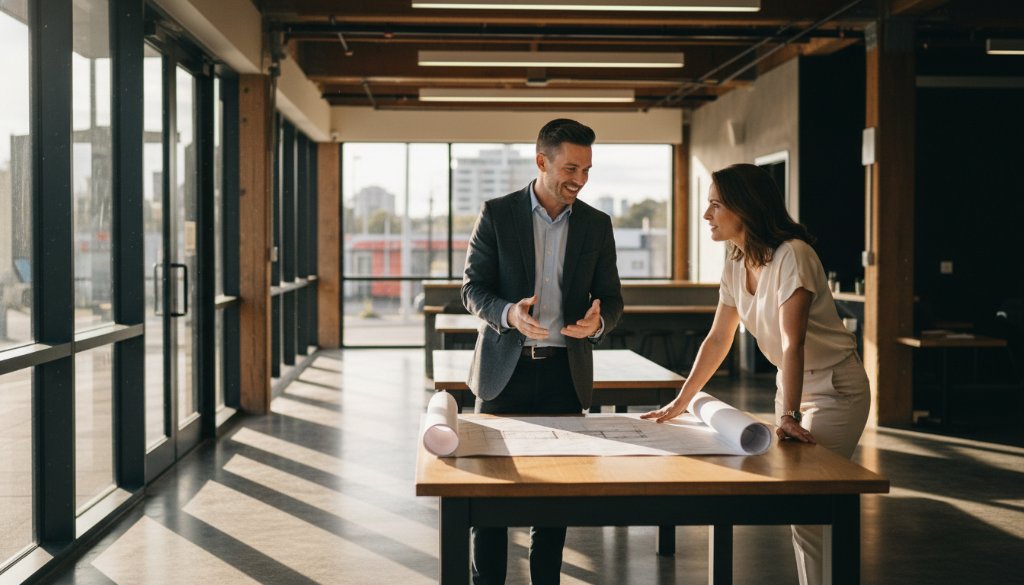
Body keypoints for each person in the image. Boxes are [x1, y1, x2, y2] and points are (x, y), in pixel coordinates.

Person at [641, 163, 870, 585]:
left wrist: (791, 416)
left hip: (836, 390)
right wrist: (684, 398)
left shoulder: (794, 256)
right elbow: (717, 339)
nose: (707, 215)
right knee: (804, 513)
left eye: (715, 205)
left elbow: (792, 342)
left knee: (809, 502)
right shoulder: (735, 261)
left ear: (744, 208)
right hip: (793, 387)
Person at [461, 118, 624, 585]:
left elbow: (612, 299)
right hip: (502, 375)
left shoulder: (596, 224)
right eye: (571, 168)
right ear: (542, 161)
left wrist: (599, 323)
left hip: (563, 376)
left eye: (587, 170)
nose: (580, 180)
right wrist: (510, 313)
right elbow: (472, 288)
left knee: (554, 499)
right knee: (490, 500)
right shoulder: (497, 213)